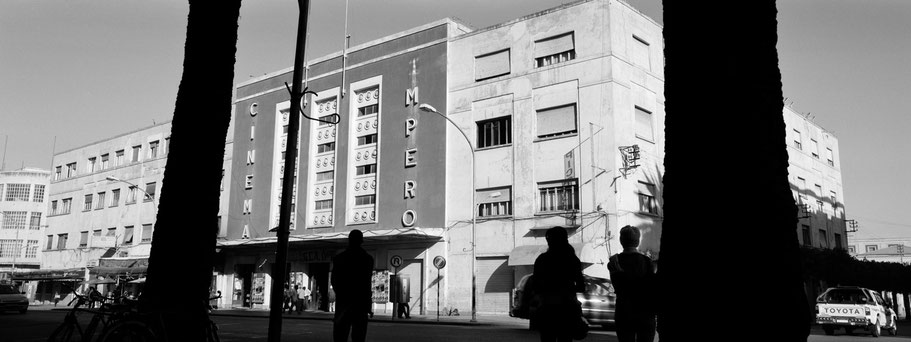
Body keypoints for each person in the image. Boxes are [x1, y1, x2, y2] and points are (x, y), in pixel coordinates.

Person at [532, 226, 585, 342]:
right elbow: (582, 286)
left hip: (547, 310)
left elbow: (535, 285)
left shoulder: (542, 260)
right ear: (565, 239)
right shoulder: (572, 260)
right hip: (567, 310)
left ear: (549, 241)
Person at [608, 226, 657, 342]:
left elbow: (617, 285)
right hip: (645, 312)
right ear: (638, 241)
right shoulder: (647, 262)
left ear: (621, 241)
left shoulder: (614, 261)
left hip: (623, 312)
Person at [331, 230, 374, 342]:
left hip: (343, 303)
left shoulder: (339, 258)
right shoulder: (367, 259)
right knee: (359, 337)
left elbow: (334, 281)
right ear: (361, 241)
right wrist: (368, 303)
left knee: (340, 336)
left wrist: (341, 294)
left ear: (349, 240)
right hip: (360, 304)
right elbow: (367, 284)